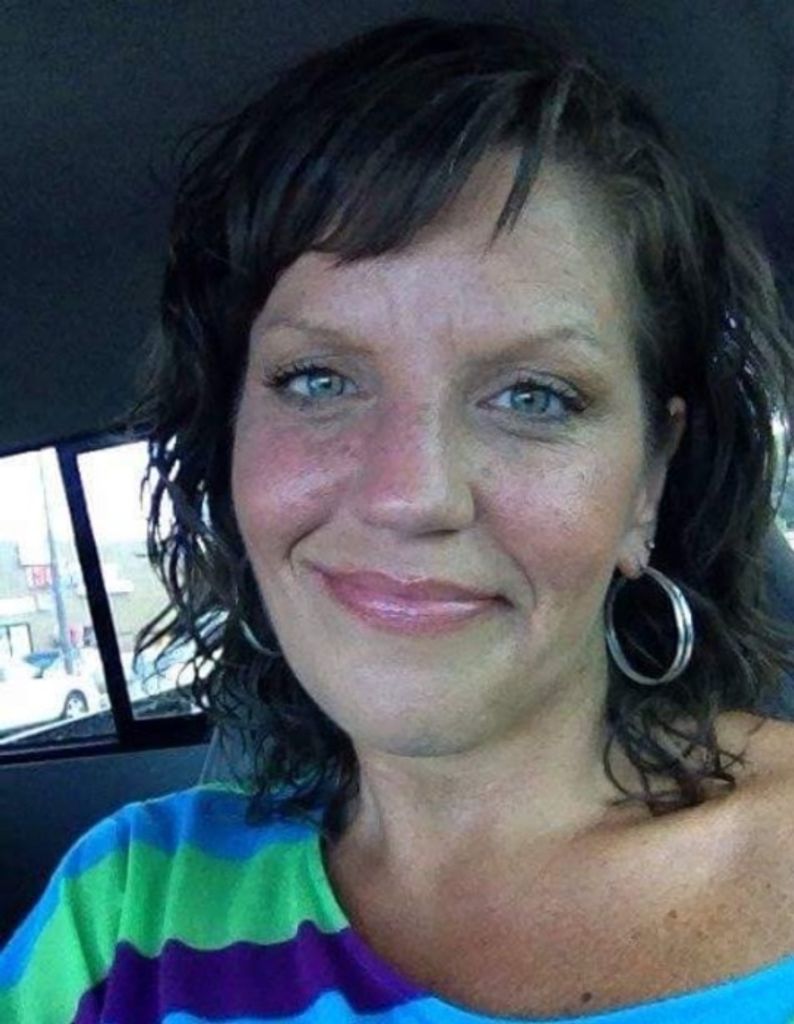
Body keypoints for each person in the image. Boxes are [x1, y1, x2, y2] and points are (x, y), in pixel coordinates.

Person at [3, 14, 794, 1023]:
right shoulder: (121, 916)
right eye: (318, 378)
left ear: (648, 480)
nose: (409, 493)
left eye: (535, 396)